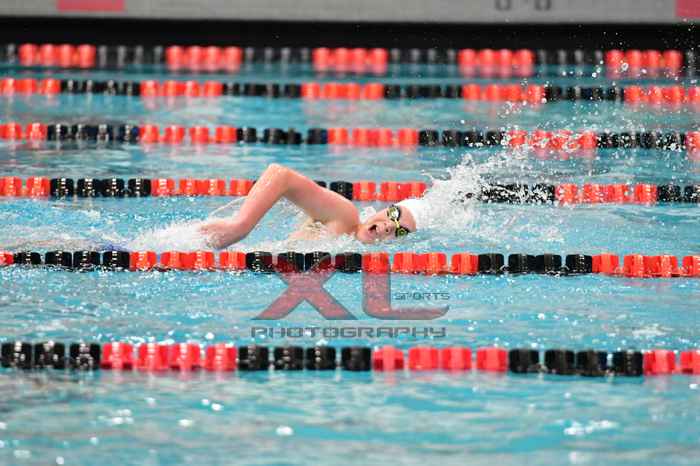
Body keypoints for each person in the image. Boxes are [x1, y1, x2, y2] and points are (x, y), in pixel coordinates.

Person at [199, 163, 429, 249]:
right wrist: (240, 226)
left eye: (400, 231)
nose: (389, 226)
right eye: (394, 214)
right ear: (383, 209)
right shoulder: (345, 216)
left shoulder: (350, 248)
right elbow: (280, 175)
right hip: (206, 244)